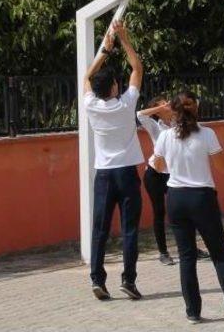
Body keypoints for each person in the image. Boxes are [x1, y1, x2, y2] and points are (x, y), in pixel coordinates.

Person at [152, 91, 224, 324]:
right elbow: (221, 166)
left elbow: (158, 166)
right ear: (196, 108)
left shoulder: (165, 137)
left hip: (175, 197)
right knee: (219, 254)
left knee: (186, 256)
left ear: (173, 110)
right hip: (201, 196)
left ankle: (192, 311)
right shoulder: (207, 133)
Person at [83, 20, 144, 301]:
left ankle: (97, 278)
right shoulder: (125, 104)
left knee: (100, 229)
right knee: (129, 229)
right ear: (113, 87)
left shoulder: (91, 105)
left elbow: (86, 77)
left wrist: (104, 51)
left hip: (104, 175)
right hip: (126, 174)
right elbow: (137, 68)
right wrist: (123, 38)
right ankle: (128, 280)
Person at [137, 97, 210, 264]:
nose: (167, 105)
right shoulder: (155, 126)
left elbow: (195, 103)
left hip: (174, 174)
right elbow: (140, 114)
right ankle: (163, 252)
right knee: (159, 212)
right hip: (155, 174)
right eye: (162, 104)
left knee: (183, 211)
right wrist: (160, 107)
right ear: (157, 109)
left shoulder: (178, 122)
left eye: (167, 102)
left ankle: (191, 247)